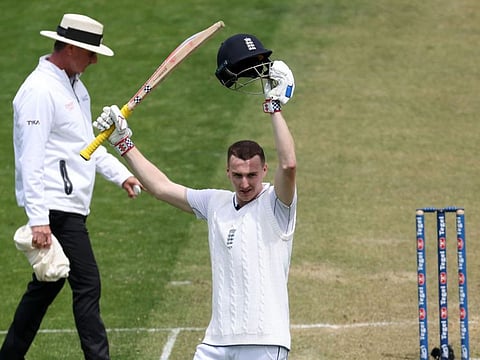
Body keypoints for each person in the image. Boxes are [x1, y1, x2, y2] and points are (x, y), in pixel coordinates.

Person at [94, 34, 296, 360]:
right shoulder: (215, 203)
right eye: (238, 175)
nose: (245, 183)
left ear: (264, 172)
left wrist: (274, 108)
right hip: (216, 342)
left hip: (263, 340)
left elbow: (289, 164)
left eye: (253, 175)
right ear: (228, 173)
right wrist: (123, 143)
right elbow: (161, 187)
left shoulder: (278, 206)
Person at [0, 13, 141, 360]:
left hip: (70, 205)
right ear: (70, 48)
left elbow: (84, 146)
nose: (94, 59)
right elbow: (30, 158)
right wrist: (38, 219)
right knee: (87, 283)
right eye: (90, 52)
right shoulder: (38, 91)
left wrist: (120, 173)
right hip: (55, 208)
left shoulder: (76, 87)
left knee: (47, 284)